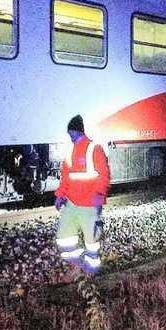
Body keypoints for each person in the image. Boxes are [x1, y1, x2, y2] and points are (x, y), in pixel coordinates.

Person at [54, 115, 111, 274]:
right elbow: (65, 177)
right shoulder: (70, 151)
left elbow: (104, 175)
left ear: (78, 131)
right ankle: (75, 264)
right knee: (64, 237)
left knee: (91, 240)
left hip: (89, 203)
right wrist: (60, 195)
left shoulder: (94, 148)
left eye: (71, 132)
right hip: (72, 202)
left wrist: (99, 193)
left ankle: (92, 270)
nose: (70, 136)